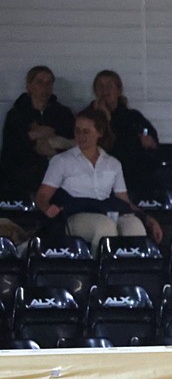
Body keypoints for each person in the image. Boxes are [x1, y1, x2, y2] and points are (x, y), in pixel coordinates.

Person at [35, 107, 162, 253]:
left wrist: (147, 218)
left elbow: (124, 202)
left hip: (107, 212)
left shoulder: (113, 163)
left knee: (134, 226)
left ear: (99, 133)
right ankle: (100, 271)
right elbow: (42, 195)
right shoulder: (61, 161)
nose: (81, 136)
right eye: (77, 130)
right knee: (104, 227)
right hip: (75, 215)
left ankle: (132, 272)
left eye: (86, 131)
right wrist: (46, 208)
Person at [0, 66, 75, 199]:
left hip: (59, 177)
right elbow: (10, 149)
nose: (45, 87)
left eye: (49, 83)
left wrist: (51, 145)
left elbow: (74, 144)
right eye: (40, 82)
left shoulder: (63, 113)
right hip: (24, 177)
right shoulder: (16, 114)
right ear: (29, 86)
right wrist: (32, 137)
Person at [90, 70, 158, 204]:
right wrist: (105, 118)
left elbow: (152, 142)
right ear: (95, 91)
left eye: (109, 85)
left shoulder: (132, 117)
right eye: (101, 86)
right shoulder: (87, 116)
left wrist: (149, 141)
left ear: (119, 90)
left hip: (132, 175)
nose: (105, 90)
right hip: (97, 175)